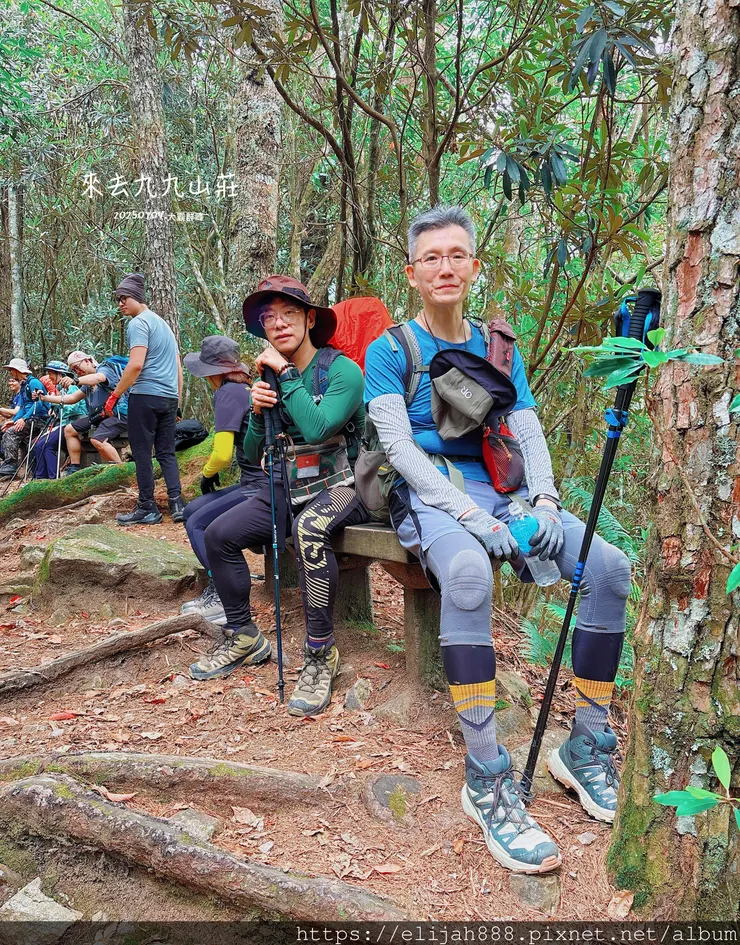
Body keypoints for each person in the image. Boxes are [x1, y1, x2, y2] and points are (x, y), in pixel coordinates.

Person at [364, 205, 631, 874]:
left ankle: (588, 742)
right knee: (467, 574)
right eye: (433, 256)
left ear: (474, 266)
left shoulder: (498, 344)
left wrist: (543, 501)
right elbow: (399, 448)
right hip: (431, 493)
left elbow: (529, 429)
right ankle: (486, 772)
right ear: (413, 272)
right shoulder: (390, 349)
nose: (446, 266)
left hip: (505, 486)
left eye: (458, 254)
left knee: (608, 566)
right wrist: (477, 521)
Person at [188, 276, 368, 719]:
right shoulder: (267, 379)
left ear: (310, 319)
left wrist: (287, 378)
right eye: (269, 318)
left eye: (289, 314)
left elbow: (319, 427)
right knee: (217, 534)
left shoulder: (341, 371)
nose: (278, 324)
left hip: (343, 485)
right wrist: (256, 412)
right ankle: (244, 634)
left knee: (310, 529)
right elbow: (251, 454)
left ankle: (320, 652)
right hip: (285, 486)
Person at [179, 336, 267, 624]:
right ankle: (220, 585)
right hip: (258, 481)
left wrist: (207, 475)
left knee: (197, 522)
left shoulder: (228, 393)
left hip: (258, 486)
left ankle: (222, 596)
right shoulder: (245, 389)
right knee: (192, 510)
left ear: (215, 373)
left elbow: (222, 454)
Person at [108, 274, 185, 526]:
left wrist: (115, 394)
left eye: (124, 298)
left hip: (145, 395)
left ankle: (147, 507)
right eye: (118, 299)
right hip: (168, 397)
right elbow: (178, 368)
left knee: (142, 453)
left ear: (137, 297)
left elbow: (136, 365)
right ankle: (177, 504)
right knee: (166, 453)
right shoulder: (164, 325)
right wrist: (177, 402)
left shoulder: (138, 323)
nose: (120, 303)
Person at [37, 350, 128, 475]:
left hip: (117, 413)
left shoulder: (104, 368)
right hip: (97, 416)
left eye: (77, 367)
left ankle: (122, 471)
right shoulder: (87, 384)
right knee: (69, 430)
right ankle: (75, 466)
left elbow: (99, 378)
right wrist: (45, 398)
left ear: (87, 361)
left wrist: (76, 380)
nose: (77, 372)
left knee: (97, 440)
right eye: (74, 370)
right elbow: (72, 398)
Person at [32, 361, 87, 479]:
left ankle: (51, 478)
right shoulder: (61, 390)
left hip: (72, 424)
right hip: (63, 424)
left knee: (46, 444)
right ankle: (41, 478)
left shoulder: (71, 387)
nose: (49, 377)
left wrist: (52, 401)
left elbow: (74, 408)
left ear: (60, 375)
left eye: (51, 374)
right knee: (38, 444)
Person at [0, 359, 50, 478]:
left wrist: (24, 419)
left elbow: (38, 403)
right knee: (8, 430)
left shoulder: (34, 383)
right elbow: (22, 406)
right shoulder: (23, 385)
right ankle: (9, 465)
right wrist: (15, 420)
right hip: (29, 417)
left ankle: (10, 466)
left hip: (39, 418)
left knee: (11, 433)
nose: (11, 373)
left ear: (18, 371)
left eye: (12, 370)